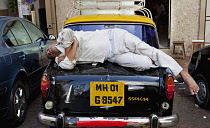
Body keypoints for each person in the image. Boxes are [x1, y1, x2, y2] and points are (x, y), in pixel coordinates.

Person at [46, 28, 199, 95]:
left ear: (52, 44)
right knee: (144, 64)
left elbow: (67, 35)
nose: (49, 51)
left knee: (149, 51)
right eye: (48, 54)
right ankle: (166, 64)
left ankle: (184, 75)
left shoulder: (62, 37)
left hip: (115, 38)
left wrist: (69, 51)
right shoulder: (61, 60)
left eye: (49, 49)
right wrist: (75, 45)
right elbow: (68, 65)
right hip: (111, 56)